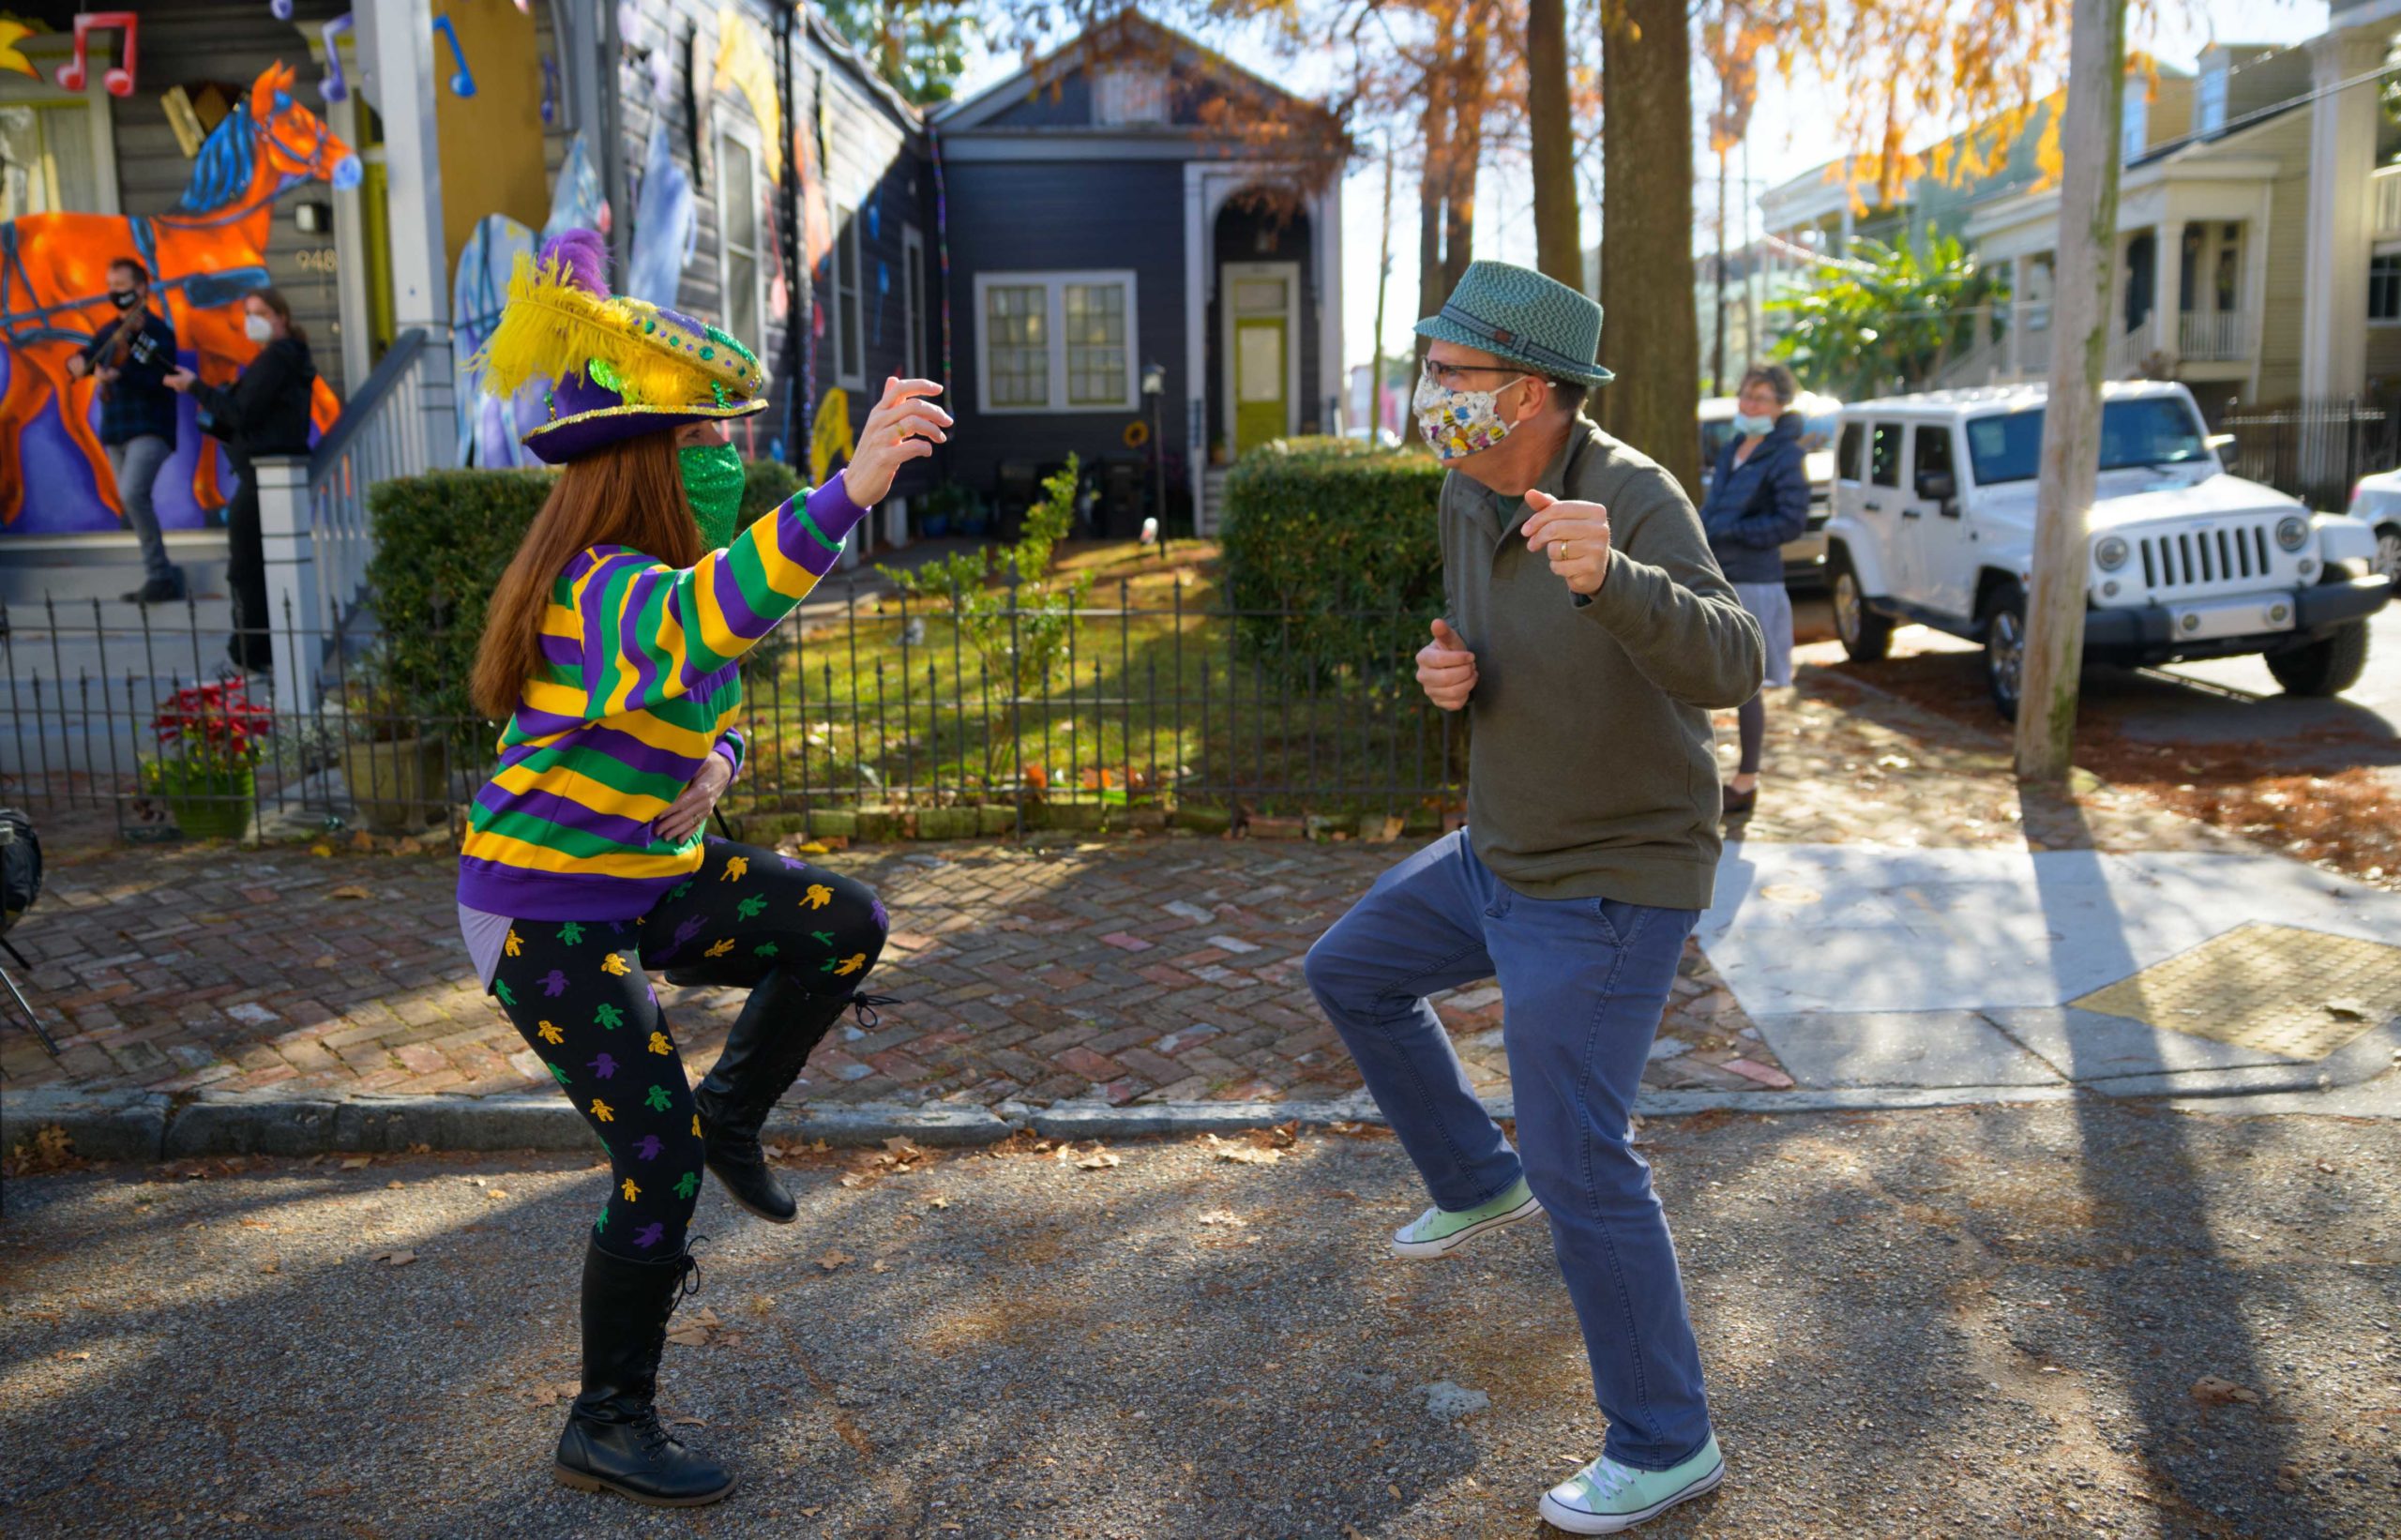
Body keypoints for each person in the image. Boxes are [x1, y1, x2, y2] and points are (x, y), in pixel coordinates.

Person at [459, 229, 947, 1509]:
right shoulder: (599, 585)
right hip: (545, 914)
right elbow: (700, 623)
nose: (733, 456)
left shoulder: (660, 577)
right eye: (710, 439)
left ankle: (734, 1110)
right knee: (653, 1161)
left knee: (842, 924)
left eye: (736, 434)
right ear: (641, 460)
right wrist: (844, 492)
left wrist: (723, 756)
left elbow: (713, 677)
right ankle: (606, 1417)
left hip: (649, 869)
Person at [1304, 261, 1762, 1535]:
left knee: (1583, 1154)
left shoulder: (1634, 494)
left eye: (1453, 375)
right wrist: (1450, 672)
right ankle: (1471, 1173)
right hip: (1500, 847)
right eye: (1431, 368)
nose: (1429, 393)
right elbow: (1486, 648)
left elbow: (1732, 661)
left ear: (1535, 390)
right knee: (1351, 969)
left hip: (1614, 873)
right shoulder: (1467, 486)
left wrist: (1613, 576)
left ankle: (1669, 1440)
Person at [162, 287, 317, 675]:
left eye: (261, 312)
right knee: (259, 570)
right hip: (261, 475)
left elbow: (240, 413)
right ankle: (258, 652)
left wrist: (196, 387)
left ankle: (247, 655)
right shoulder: (284, 359)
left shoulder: (278, 359)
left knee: (245, 570)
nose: (253, 321)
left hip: (261, 480)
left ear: (281, 316)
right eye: (248, 313)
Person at [1697, 363, 1811, 817]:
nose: (1750, 405)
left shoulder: (1786, 455)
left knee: (1748, 683)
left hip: (1756, 579)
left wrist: (1735, 530)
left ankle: (1746, 780)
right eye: (1746, 396)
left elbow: (1791, 521)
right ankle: (1703, 777)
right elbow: (1715, 505)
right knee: (1704, 673)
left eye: (1761, 399)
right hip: (1717, 574)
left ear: (1781, 406)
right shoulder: (1732, 448)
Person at [67, 258, 185, 604]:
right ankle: (160, 573)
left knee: (133, 493)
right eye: (111, 286)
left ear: (141, 289)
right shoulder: (108, 332)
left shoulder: (153, 332)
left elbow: (158, 376)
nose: (115, 293)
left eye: (121, 286)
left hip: (149, 426)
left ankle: (159, 574)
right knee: (132, 500)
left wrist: (122, 374)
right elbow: (88, 354)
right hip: (116, 429)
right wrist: (75, 362)